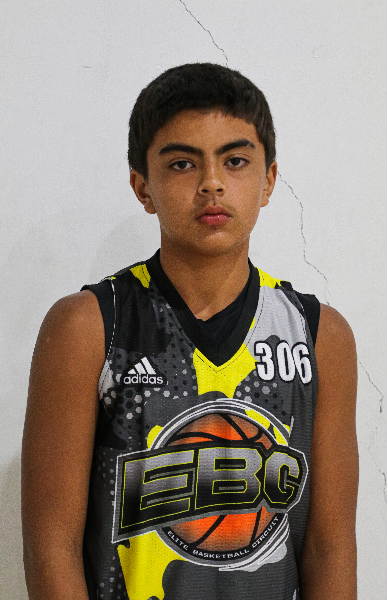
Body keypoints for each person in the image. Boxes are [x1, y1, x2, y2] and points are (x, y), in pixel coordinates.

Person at [21, 63, 358, 600]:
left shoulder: (319, 335)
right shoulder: (87, 327)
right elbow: (50, 548)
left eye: (235, 160)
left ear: (269, 180)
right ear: (143, 187)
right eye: (182, 163)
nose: (212, 183)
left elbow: (330, 547)